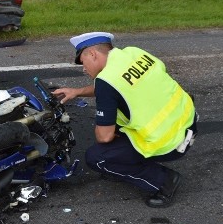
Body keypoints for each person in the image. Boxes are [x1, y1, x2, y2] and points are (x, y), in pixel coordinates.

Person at [52, 32, 198, 207]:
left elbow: (104, 136)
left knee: (97, 156)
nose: (84, 68)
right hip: (187, 120)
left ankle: (164, 181)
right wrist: (77, 91)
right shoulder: (134, 53)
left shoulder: (106, 81)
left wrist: (103, 128)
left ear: (93, 54)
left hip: (171, 142)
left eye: (83, 62)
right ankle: (126, 159)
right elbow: (120, 85)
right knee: (116, 121)